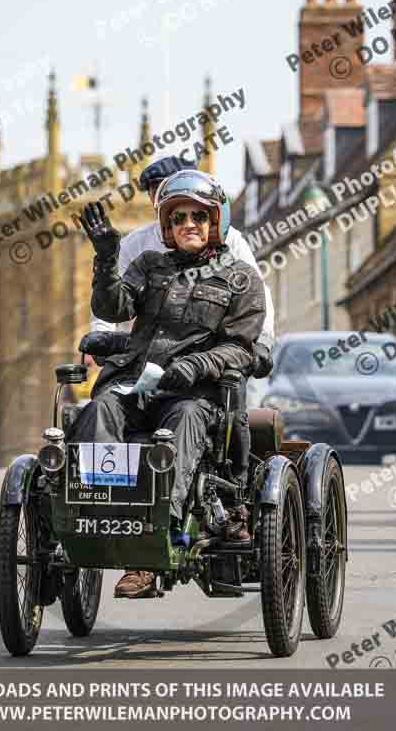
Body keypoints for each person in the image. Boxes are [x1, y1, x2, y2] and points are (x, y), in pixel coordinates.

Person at [74, 169, 266, 598]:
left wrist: (198, 364)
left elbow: (242, 348)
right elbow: (114, 305)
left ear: (215, 221)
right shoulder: (149, 265)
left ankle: (155, 541)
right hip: (138, 384)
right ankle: (100, 512)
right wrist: (106, 258)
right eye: (178, 218)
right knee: (99, 407)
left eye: (198, 216)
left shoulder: (240, 279)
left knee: (182, 420)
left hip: (196, 395)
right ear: (168, 226)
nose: (188, 225)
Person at [91, 155, 275, 373]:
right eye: (157, 190)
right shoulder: (136, 245)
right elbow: (113, 297)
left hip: (211, 357)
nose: (188, 224)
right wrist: (100, 333)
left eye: (198, 216)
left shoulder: (228, 238)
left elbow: (254, 292)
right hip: (149, 354)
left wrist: (263, 341)